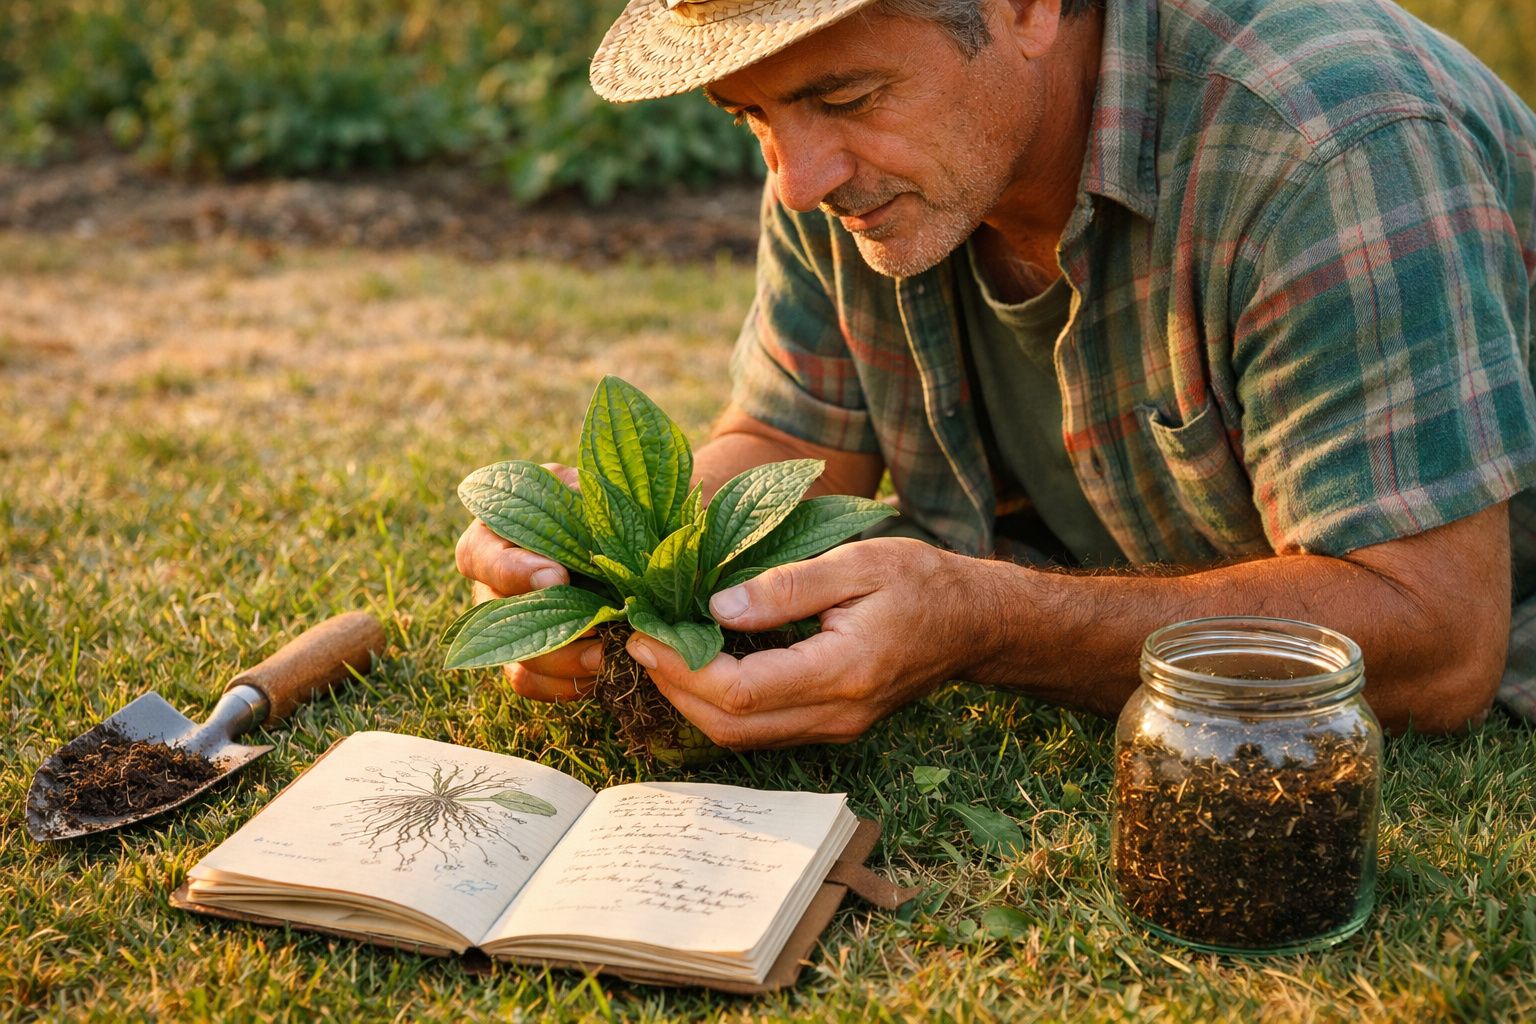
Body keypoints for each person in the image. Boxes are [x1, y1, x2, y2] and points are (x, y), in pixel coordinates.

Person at [457, 0, 1536, 745]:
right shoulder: (842, 170)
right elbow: (793, 443)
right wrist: (606, 554)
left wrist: (988, 619)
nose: (797, 180)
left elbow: (1436, 639)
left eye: (844, 97)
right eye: (753, 117)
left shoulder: (1327, 141)